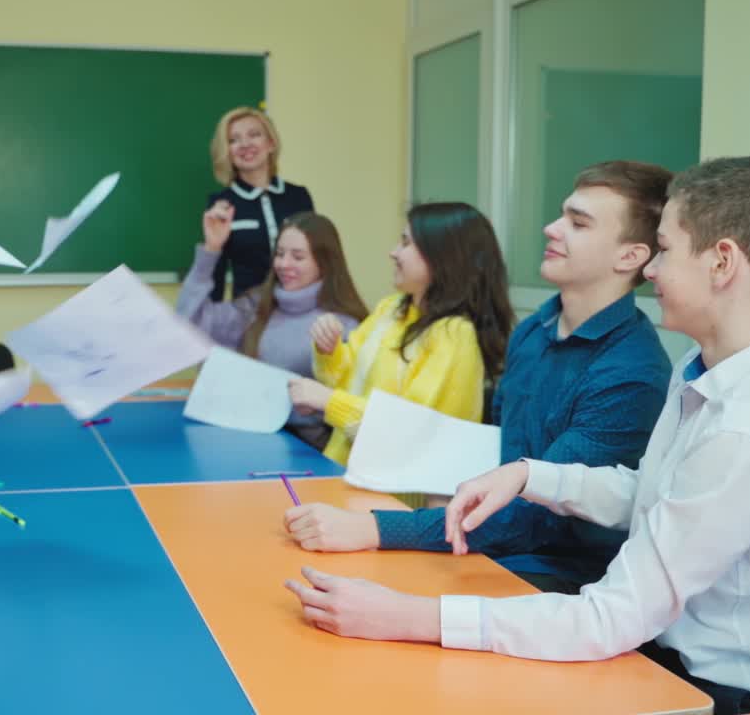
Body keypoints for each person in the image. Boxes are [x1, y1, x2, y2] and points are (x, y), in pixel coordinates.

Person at [284, 156, 750, 715]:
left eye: (664, 250)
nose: (652, 270)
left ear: (722, 262)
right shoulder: (703, 371)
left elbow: (613, 616)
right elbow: (656, 496)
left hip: (727, 691)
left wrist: (409, 616)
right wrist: (530, 475)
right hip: (664, 652)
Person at [284, 161, 673, 594]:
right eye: (562, 215)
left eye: (578, 224)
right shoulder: (533, 331)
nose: (551, 228)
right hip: (494, 541)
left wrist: (372, 528)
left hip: (556, 578)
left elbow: (536, 513)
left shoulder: (632, 372)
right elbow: (499, 451)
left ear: (630, 256)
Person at [287, 203, 514, 507]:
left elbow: (408, 433)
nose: (393, 252)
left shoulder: (454, 335)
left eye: (406, 243)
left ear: (441, 256)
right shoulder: (391, 308)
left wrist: (328, 402)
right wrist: (330, 351)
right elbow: (345, 380)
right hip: (346, 477)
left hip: (397, 503)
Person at [177, 208, 367, 447]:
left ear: (324, 263)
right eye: (280, 254)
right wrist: (211, 250)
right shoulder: (257, 306)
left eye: (298, 257)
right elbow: (187, 322)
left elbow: (349, 408)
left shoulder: (344, 325)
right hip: (244, 440)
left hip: (305, 452)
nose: (284, 264)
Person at [204, 106, 314, 301]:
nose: (245, 144)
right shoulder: (221, 205)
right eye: (233, 140)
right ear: (227, 151)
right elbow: (215, 275)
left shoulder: (299, 196)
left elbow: (317, 258)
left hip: (300, 308)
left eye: (254, 135)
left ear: (271, 143)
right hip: (247, 313)